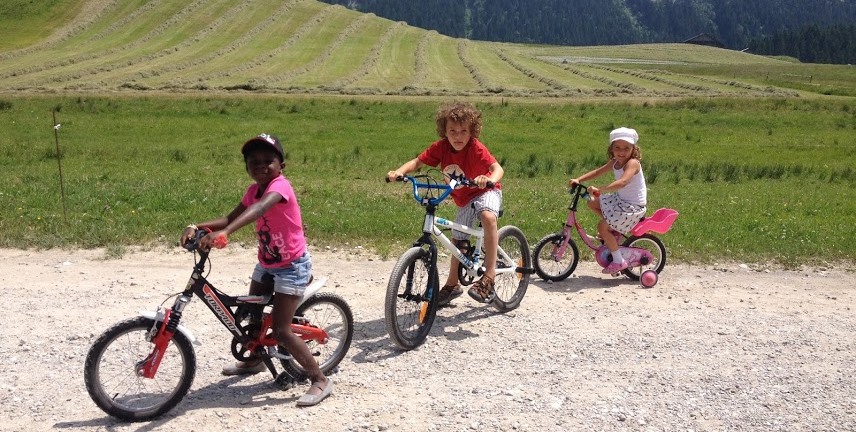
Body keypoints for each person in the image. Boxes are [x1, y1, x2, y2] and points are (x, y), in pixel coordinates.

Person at [179, 133, 333, 407]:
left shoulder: (280, 187)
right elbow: (231, 217)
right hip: (267, 263)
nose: (260, 166)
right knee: (251, 316)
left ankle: (319, 379)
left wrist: (225, 232)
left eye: (267, 161)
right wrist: (199, 226)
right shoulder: (252, 191)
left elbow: (261, 209)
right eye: (253, 162)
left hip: (291, 266)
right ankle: (255, 361)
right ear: (247, 167)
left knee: (283, 330)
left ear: (281, 165)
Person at [386, 102, 504, 305]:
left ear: (472, 131)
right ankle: (452, 284)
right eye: (453, 131)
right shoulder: (441, 148)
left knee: (487, 216)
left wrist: (489, 179)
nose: (458, 136)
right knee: (457, 243)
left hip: (486, 191)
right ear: (445, 131)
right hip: (465, 199)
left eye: (463, 131)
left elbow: (497, 168)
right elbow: (417, 162)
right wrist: (399, 172)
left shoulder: (476, 148)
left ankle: (489, 276)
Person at [570, 126, 647, 274]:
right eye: (617, 147)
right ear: (611, 149)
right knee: (591, 202)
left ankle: (619, 261)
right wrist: (579, 179)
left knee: (602, 227)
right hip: (621, 201)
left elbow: (623, 182)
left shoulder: (633, 163)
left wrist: (601, 189)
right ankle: (614, 228)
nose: (621, 152)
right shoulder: (615, 162)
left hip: (633, 207)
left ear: (633, 149)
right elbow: (598, 172)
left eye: (626, 148)